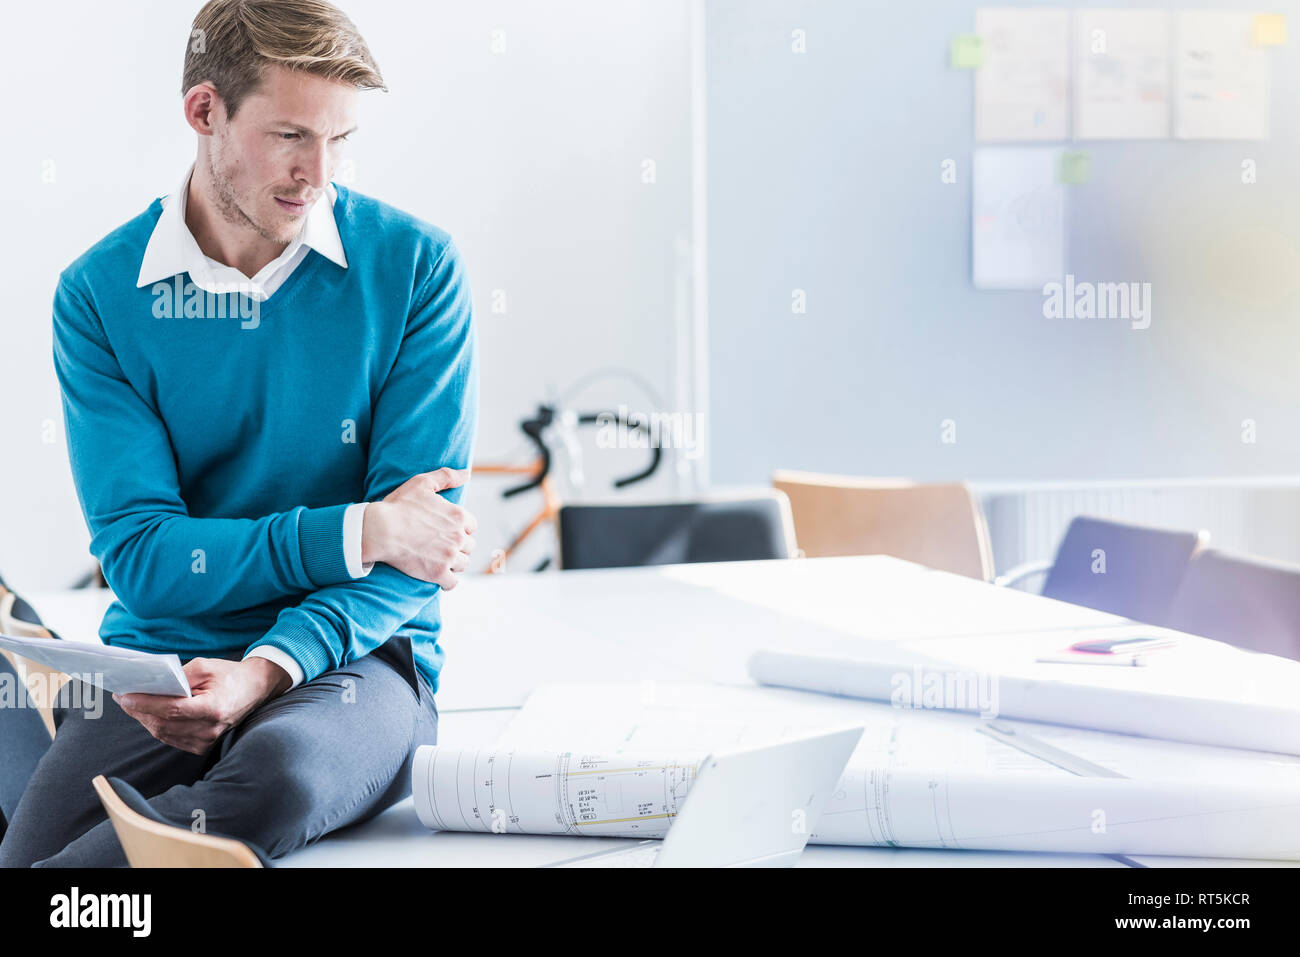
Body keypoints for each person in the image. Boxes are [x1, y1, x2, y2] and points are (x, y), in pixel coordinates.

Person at [0, 0, 478, 867]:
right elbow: (144, 555)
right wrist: (355, 529)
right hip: (165, 663)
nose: (318, 174)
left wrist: (266, 667)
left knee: (282, 776)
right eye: (291, 135)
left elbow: (418, 555)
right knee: (33, 848)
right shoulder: (101, 296)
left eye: (340, 139)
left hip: (357, 656)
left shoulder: (415, 270)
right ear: (204, 111)